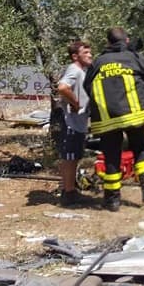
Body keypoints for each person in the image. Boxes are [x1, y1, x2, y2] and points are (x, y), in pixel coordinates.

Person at [83, 27, 144, 211]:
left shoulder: (98, 62)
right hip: (134, 115)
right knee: (140, 150)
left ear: (108, 43)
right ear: (126, 40)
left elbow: (87, 86)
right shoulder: (133, 57)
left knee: (111, 156)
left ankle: (112, 200)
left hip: (107, 118)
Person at [56, 40, 93, 207]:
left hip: (78, 123)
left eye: (90, 52)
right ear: (75, 56)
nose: (90, 55)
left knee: (72, 157)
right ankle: (68, 193)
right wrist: (75, 103)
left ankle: (68, 189)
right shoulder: (74, 70)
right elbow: (63, 87)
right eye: (86, 53)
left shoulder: (81, 72)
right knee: (70, 158)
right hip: (71, 122)